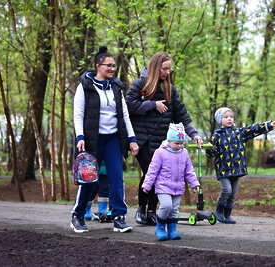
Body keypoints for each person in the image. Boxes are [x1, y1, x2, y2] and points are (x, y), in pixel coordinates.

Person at [125, 52, 202, 226]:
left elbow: (182, 116)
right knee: (150, 173)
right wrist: (152, 104)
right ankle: (141, 209)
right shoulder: (140, 85)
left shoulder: (170, 90)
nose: (168, 72)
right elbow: (128, 106)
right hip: (142, 141)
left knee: (158, 175)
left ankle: (152, 212)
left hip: (161, 142)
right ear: (155, 67)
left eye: (169, 69)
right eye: (164, 69)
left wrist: (194, 134)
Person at [71, 46, 139, 233]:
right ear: (98, 66)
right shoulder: (85, 86)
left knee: (116, 178)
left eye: (114, 66)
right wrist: (80, 137)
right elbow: (78, 114)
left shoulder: (116, 87)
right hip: (92, 140)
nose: (111, 69)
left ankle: (119, 216)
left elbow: (124, 114)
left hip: (113, 140)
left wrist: (132, 139)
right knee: (89, 179)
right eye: (108, 65)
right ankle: (77, 215)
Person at [206, 107, 275, 224]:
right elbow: (211, 154)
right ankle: (219, 211)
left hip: (237, 168)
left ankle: (227, 214)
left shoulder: (239, 133)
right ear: (220, 120)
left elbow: (252, 130)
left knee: (233, 194)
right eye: (226, 117)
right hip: (224, 169)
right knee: (226, 190)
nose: (229, 119)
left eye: (231, 116)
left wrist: (267, 125)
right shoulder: (217, 136)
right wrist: (210, 148)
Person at [142, 123, 200, 240]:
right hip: (163, 185)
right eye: (176, 143)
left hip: (178, 186)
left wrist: (194, 183)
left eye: (181, 143)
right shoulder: (160, 153)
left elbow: (189, 170)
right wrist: (147, 185)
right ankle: (160, 227)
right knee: (166, 206)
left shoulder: (184, 153)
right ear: (169, 141)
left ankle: (172, 230)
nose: (179, 146)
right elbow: (152, 170)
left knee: (174, 209)